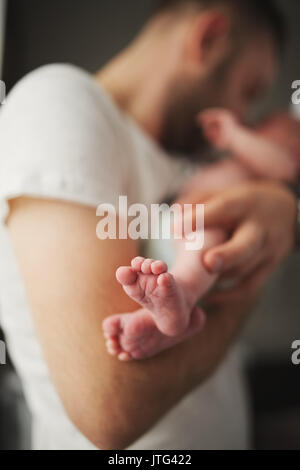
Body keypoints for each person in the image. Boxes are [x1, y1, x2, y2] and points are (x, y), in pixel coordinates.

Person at [0, 0, 297, 450]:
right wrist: (258, 266)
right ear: (208, 39)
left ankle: (178, 299)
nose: (246, 116)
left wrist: (281, 211)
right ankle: (181, 299)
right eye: (248, 89)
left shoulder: (183, 161)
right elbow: (110, 412)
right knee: (201, 246)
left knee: (200, 242)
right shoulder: (60, 103)